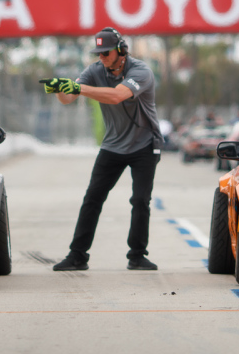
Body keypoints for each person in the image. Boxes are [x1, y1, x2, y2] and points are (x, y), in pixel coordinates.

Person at [42, 27, 162, 272]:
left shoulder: (140, 71)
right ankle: (77, 256)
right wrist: (60, 90)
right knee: (92, 199)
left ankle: (137, 255)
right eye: (98, 53)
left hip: (144, 144)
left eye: (106, 53)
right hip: (113, 145)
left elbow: (117, 96)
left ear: (121, 51)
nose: (102, 58)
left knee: (140, 200)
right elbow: (69, 99)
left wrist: (78, 89)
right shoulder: (95, 70)